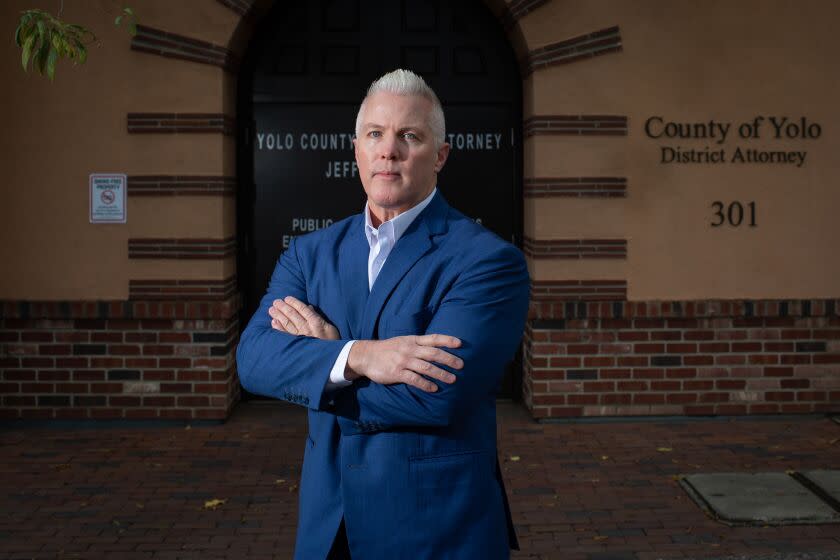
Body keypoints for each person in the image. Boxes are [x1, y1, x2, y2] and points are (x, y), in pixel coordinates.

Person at [237, 69, 529, 559]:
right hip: (328, 528)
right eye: (375, 134)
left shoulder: (486, 261)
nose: (388, 149)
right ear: (357, 150)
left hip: (436, 530)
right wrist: (356, 356)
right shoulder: (309, 255)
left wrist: (318, 365)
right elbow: (253, 360)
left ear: (440, 156)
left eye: (408, 136)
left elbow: (436, 397)